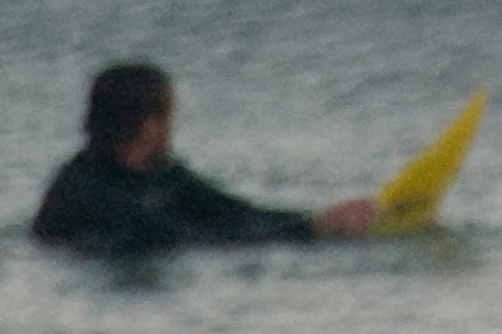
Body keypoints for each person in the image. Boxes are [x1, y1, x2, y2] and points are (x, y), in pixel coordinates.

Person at [31, 61, 381, 252]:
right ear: (149, 125)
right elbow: (174, 238)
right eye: (169, 115)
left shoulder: (161, 173)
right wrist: (309, 234)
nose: (173, 126)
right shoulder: (83, 188)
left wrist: (317, 221)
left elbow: (230, 213)